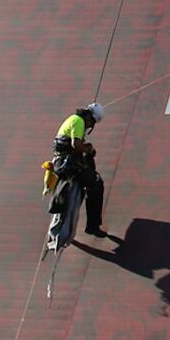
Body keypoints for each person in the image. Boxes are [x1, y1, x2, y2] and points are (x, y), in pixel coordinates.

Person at [53, 102, 109, 238]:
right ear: (90, 118)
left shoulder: (74, 119)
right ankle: (93, 226)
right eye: (93, 123)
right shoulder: (79, 122)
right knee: (96, 185)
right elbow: (76, 144)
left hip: (64, 160)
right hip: (68, 163)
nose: (91, 126)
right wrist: (89, 149)